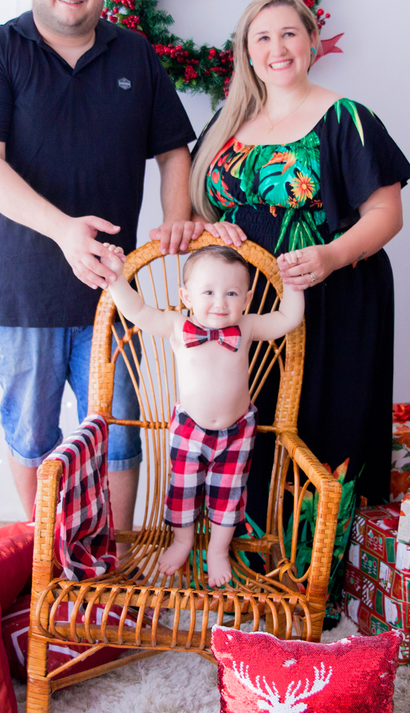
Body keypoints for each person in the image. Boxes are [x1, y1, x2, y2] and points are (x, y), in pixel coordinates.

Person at [0, 0, 201, 528]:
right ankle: (44, 562)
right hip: (20, 291)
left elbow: (173, 150)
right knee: (33, 435)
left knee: (117, 437)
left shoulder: (133, 54)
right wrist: (63, 229)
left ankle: (109, 562)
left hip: (114, 290)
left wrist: (174, 220)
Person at [188, 0, 410, 523]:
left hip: (331, 297)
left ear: (312, 42)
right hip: (242, 306)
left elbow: (387, 212)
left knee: (319, 435)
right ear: (247, 52)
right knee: (241, 430)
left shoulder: (347, 119)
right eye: (262, 38)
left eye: (289, 33)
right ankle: (241, 565)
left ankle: (316, 582)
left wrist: (333, 256)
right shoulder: (227, 122)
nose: (277, 48)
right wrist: (208, 228)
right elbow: (198, 211)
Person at [100, 244, 304, 586]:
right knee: (183, 490)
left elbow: (288, 319)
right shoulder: (178, 325)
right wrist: (117, 279)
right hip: (189, 431)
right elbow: (136, 310)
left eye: (232, 293)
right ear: (186, 296)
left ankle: (218, 550)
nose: (220, 302)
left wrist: (293, 286)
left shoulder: (248, 327)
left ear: (247, 299)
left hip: (237, 432)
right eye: (208, 292)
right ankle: (183, 541)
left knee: (228, 495)